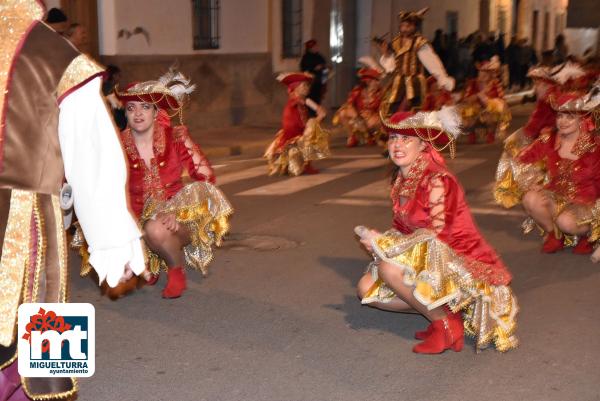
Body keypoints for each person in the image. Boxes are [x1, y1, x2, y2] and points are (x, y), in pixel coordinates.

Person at [0, 1, 145, 400]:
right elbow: (91, 158)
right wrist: (113, 244)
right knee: (42, 360)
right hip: (26, 220)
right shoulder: (57, 56)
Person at [355, 106, 518, 353]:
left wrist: (388, 247)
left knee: (389, 270)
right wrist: (380, 240)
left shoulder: (436, 179)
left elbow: (437, 236)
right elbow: (403, 228)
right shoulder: (402, 178)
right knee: (366, 289)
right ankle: (448, 312)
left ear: (423, 145)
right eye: (393, 138)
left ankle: (446, 324)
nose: (397, 145)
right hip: (425, 256)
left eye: (406, 139)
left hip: (457, 259)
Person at [111, 70, 233, 298]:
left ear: (156, 112)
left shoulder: (174, 137)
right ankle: (149, 258)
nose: (137, 113)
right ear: (125, 114)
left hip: (179, 219)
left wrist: (179, 212)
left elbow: (206, 177)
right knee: (145, 228)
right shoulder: (116, 145)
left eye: (145, 107)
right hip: (135, 225)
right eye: (131, 108)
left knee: (156, 228)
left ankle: (176, 270)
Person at [497, 87, 600, 256]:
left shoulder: (593, 146)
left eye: (570, 117)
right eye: (560, 116)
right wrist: (534, 181)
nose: (563, 121)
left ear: (581, 120)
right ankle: (555, 234)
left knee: (566, 221)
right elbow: (521, 160)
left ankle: (588, 236)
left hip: (586, 202)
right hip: (556, 196)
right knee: (530, 198)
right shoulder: (549, 139)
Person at [495, 61, 592, 209]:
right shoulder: (554, 95)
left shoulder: (548, 98)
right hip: (559, 138)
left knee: (513, 148)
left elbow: (533, 127)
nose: (535, 87)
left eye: (537, 84)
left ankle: (512, 190)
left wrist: (517, 141)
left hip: (553, 138)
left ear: (544, 84)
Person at [377, 7, 454, 116]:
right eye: (402, 25)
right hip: (398, 82)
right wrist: (386, 54)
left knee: (409, 111)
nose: (404, 29)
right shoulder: (396, 42)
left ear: (414, 27)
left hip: (414, 83)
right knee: (390, 108)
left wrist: (442, 78)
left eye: (407, 26)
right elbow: (392, 66)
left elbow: (432, 63)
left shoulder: (420, 43)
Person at [265, 72, 328, 176]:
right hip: (293, 142)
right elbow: (302, 127)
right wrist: (319, 117)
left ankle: (300, 162)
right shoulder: (295, 103)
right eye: (304, 85)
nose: (307, 88)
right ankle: (303, 163)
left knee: (313, 125)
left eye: (307, 85)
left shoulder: (300, 102)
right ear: (296, 88)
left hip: (296, 139)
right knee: (313, 125)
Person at [460, 56, 511, 144]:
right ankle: (471, 133)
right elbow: (466, 99)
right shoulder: (473, 83)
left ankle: (491, 133)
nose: (483, 74)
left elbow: (502, 100)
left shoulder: (495, 83)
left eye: (486, 72)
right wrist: (477, 96)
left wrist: (489, 101)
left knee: (495, 109)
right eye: (481, 72)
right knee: (468, 110)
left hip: (488, 111)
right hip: (476, 111)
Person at [333, 67, 383, 147]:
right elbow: (349, 104)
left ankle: (372, 136)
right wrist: (358, 118)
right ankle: (352, 137)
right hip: (357, 119)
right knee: (343, 112)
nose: (378, 83)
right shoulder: (358, 91)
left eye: (378, 81)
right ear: (369, 82)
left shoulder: (380, 94)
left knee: (376, 121)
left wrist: (372, 117)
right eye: (376, 80)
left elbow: (382, 110)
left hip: (371, 121)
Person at [300, 39, 328, 112]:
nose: (316, 48)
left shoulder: (320, 57)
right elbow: (304, 70)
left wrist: (324, 83)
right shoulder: (305, 58)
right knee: (309, 101)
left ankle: (316, 116)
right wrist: (313, 69)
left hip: (319, 84)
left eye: (316, 46)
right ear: (309, 48)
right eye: (313, 47)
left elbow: (325, 69)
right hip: (310, 84)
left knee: (317, 101)